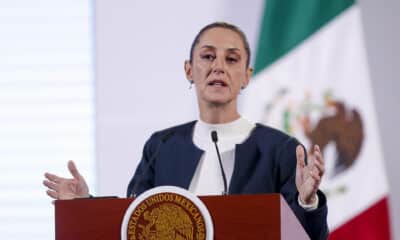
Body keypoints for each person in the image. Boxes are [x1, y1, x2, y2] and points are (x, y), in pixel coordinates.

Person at [43, 22, 328, 239]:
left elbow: (309, 236)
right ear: (189, 70)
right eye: (207, 57)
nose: (218, 67)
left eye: (231, 59)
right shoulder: (162, 146)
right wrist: (85, 205)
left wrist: (307, 201)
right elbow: (134, 221)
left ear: (246, 76)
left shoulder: (280, 149)